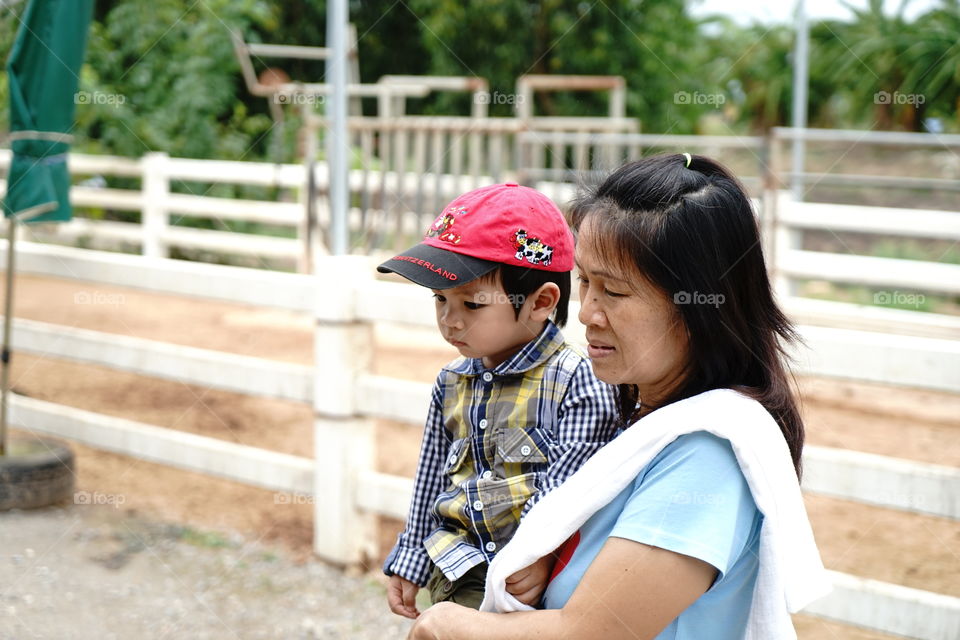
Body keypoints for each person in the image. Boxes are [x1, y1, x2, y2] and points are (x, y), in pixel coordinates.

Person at [406, 155, 830, 640]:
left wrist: (445, 624)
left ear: (697, 308)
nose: (586, 313)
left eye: (614, 292)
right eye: (585, 281)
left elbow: (592, 633)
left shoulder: (707, 456)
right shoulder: (634, 426)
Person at [377, 183, 622, 618]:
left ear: (540, 302)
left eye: (471, 304)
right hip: (456, 567)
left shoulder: (576, 381)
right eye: (440, 300)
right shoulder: (451, 382)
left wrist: (538, 553)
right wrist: (412, 554)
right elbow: (431, 476)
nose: (450, 321)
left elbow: (568, 490)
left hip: (530, 574)